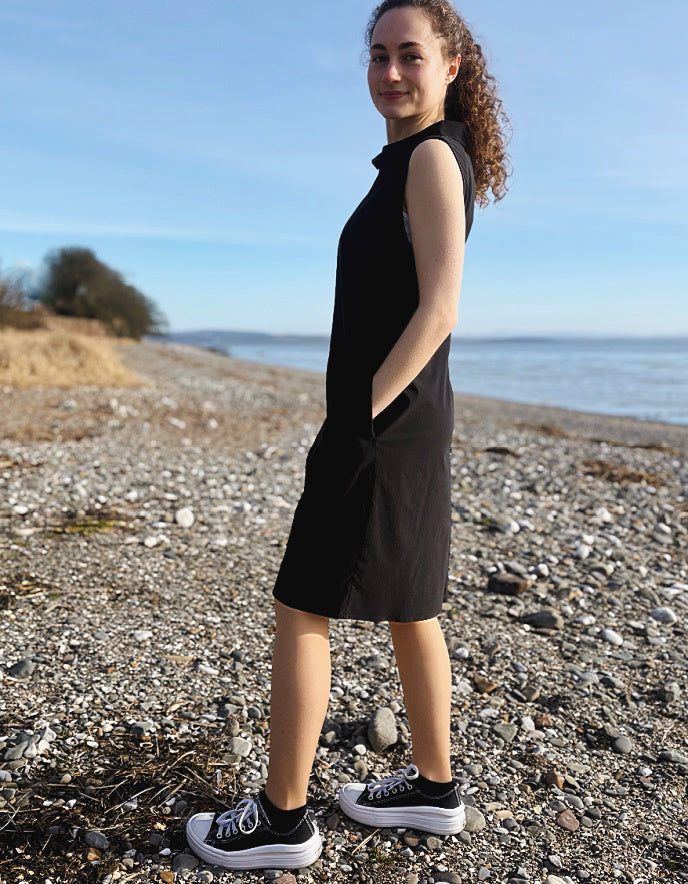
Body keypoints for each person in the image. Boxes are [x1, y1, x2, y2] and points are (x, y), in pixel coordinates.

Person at [186, 0, 509, 870]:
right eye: (378, 56)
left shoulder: (433, 159)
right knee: (411, 603)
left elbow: (441, 307)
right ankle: (435, 793)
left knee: (301, 604)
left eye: (410, 55)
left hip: (384, 425)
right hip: (404, 423)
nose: (391, 72)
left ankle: (282, 820)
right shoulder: (410, 159)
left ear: (451, 67)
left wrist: (360, 413)